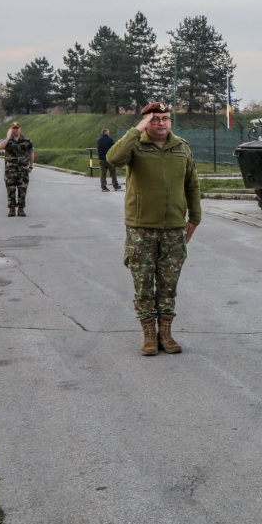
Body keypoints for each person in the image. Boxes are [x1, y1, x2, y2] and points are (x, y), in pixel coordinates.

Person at [106, 102, 201, 356]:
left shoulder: (181, 147)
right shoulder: (135, 144)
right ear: (146, 122)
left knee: (169, 284)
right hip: (141, 228)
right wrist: (137, 128)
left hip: (174, 228)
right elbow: (113, 159)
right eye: (155, 119)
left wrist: (195, 216)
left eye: (166, 118)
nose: (161, 123)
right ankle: (149, 334)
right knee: (143, 283)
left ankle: (165, 333)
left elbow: (191, 183)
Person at [0, 122, 34, 217]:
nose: (15, 130)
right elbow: (0, 147)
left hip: (23, 171)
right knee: (10, 190)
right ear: (10, 129)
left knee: (22, 190)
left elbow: (31, 153)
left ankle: (21, 209)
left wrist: (31, 166)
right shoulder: (6, 140)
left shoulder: (27, 140)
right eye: (13, 128)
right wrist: (8, 137)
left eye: (17, 128)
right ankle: (11, 209)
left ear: (20, 128)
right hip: (10, 171)